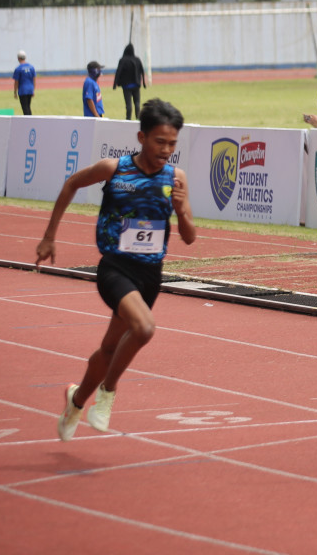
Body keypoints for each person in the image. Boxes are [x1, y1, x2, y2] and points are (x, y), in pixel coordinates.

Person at [37, 98, 196, 441]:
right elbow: (71, 184)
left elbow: (189, 238)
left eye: (172, 144)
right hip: (114, 268)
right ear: (141, 137)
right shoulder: (114, 169)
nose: (166, 150)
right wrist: (50, 236)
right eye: (159, 142)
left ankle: (76, 400)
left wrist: (182, 211)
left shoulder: (176, 178)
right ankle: (107, 395)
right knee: (145, 329)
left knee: (110, 350)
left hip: (149, 276)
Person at [113, 43, 147, 121]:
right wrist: (144, 83)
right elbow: (142, 71)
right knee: (137, 103)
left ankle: (128, 119)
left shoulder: (123, 60)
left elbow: (118, 72)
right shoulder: (137, 59)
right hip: (136, 85)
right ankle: (138, 118)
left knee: (128, 104)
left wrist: (115, 84)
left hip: (126, 86)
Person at [13, 50, 36, 116]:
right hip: (30, 89)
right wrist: (33, 90)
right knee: (28, 107)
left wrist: (15, 92)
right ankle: (30, 121)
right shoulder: (31, 67)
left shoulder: (18, 69)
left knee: (25, 108)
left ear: (18, 58)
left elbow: (16, 82)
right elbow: (34, 79)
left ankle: (28, 123)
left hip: (23, 90)